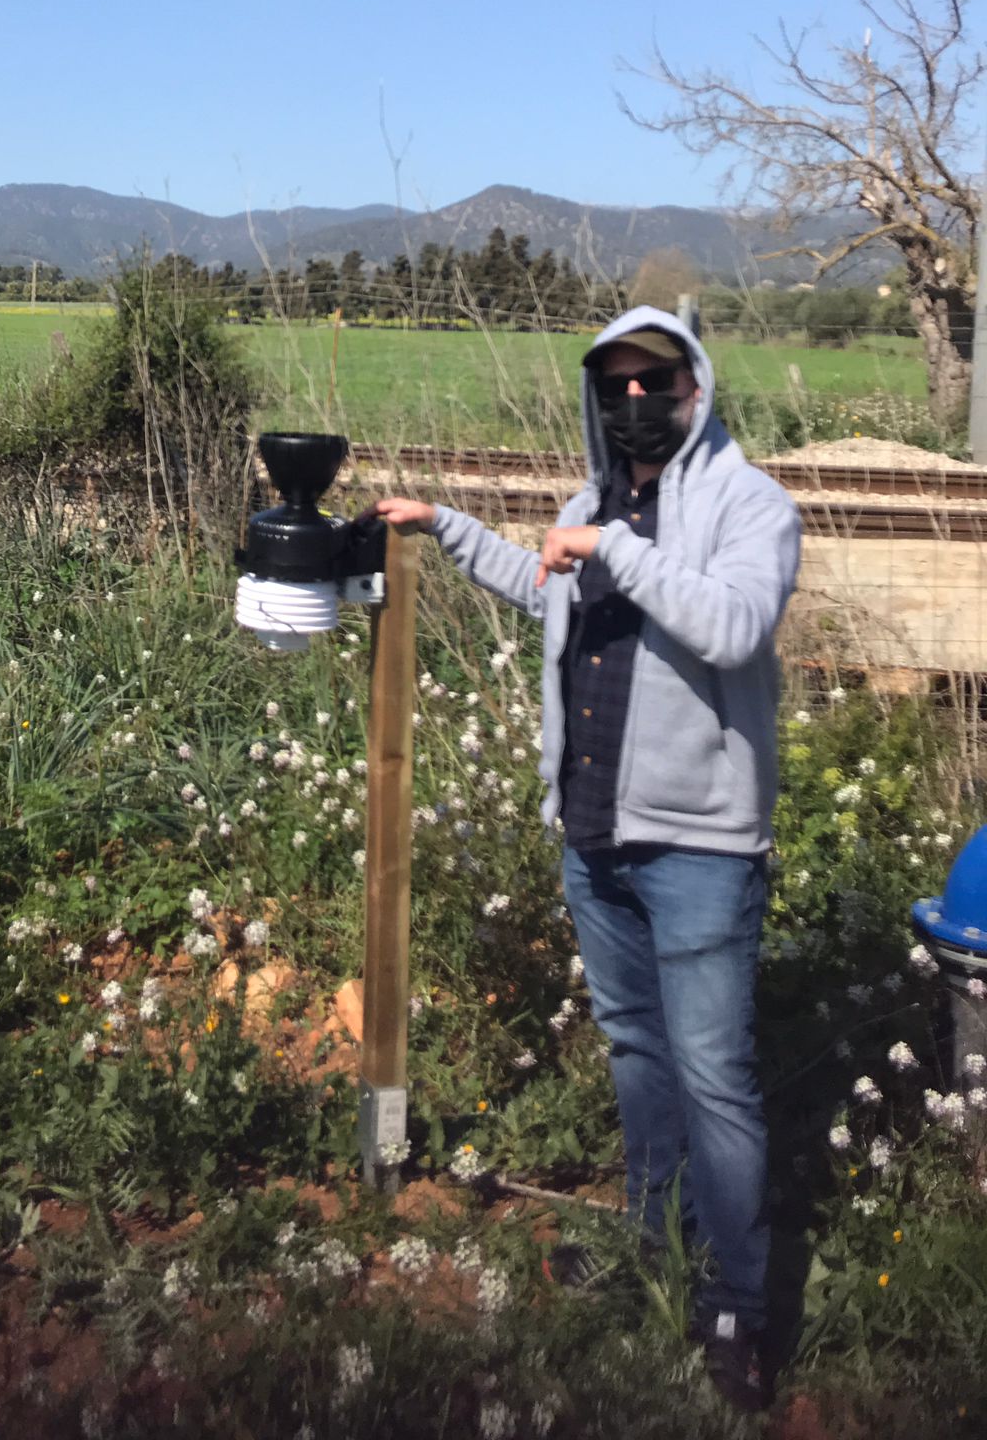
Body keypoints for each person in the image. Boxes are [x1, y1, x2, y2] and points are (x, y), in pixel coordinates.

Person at [376, 305, 801, 1414]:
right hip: (595, 835)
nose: (632, 403)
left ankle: (740, 1306)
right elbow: (546, 581)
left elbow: (734, 625)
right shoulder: (587, 505)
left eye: (651, 381)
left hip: (700, 846)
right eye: (611, 386)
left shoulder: (750, 505)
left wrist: (616, 548)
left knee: (714, 1077)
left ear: (694, 385)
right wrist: (448, 525)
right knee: (637, 1057)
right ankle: (654, 1246)